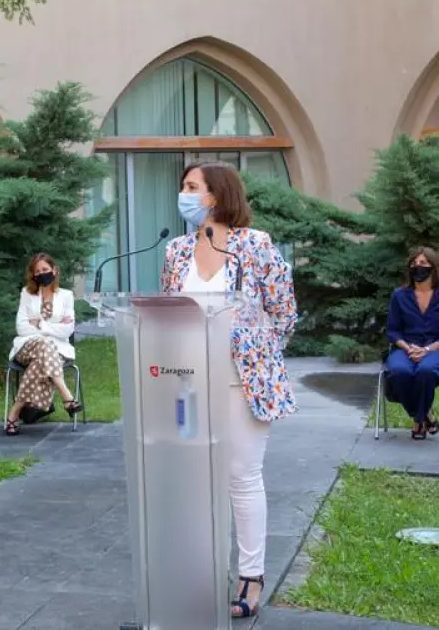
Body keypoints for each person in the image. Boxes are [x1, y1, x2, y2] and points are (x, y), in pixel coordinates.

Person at [160, 162, 297, 620]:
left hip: (242, 381)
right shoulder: (176, 250)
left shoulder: (254, 245)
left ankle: (250, 576)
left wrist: (255, 350)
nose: (184, 194)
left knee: (241, 476)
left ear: (216, 195)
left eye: (192, 187)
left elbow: (284, 312)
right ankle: (205, 572)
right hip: (188, 380)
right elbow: (167, 310)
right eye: (183, 186)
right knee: (198, 480)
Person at [384, 248, 439, 440]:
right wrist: (408, 348)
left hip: (438, 350)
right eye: (414, 264)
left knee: (426, 371)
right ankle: (425, 415)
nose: (418, 267)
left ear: (434, 267)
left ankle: (418, 422)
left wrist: (426, 350)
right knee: (399, 371)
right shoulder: (399, 295)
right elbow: (392, 330)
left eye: (423, 263)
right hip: (405, 348)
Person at [4, 253, 81, 435]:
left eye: (45, 269)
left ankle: (14, 413)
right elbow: (21, 327)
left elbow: (67, 330)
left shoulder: (66, 296)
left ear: (54, 270)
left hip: (56, 351)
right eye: (37, 271)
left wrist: (39, 323)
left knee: (41, 359)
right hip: (27, 347)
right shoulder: (27, 294)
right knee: (44, 344)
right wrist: (53, 327)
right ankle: (66, 396)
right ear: (33, 275)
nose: (41, 273)